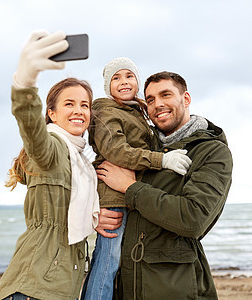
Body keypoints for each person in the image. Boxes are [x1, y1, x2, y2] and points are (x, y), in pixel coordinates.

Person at [96, 71, 233, 299]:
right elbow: (100, 172)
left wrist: (131, 188)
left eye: (166, 95)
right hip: (125, 285)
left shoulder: (212, 151)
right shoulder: (141, 147)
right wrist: (94, 214)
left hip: (175, 286)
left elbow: (193, 218)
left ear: (186, 99)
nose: (158, 104)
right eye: (150, 99)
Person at [0, 31, 100, 300]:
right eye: (69, 104)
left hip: (57, 288)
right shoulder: (53, 148)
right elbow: (31, 128)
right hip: (34, 288)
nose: (79, 110)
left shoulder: (82, 163)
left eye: (85, 105)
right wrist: (24, 81)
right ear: (52, 113)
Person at [82, 59, 192, 300]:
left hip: (131, 194)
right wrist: (161, 160)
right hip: (114, 198)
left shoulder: (135, 110)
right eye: (116, 78)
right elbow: (116, 152)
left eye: (129, 76)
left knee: (120, 262)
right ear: (106, 86)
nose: (124, 82)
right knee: (108, 261)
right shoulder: (105, 113)